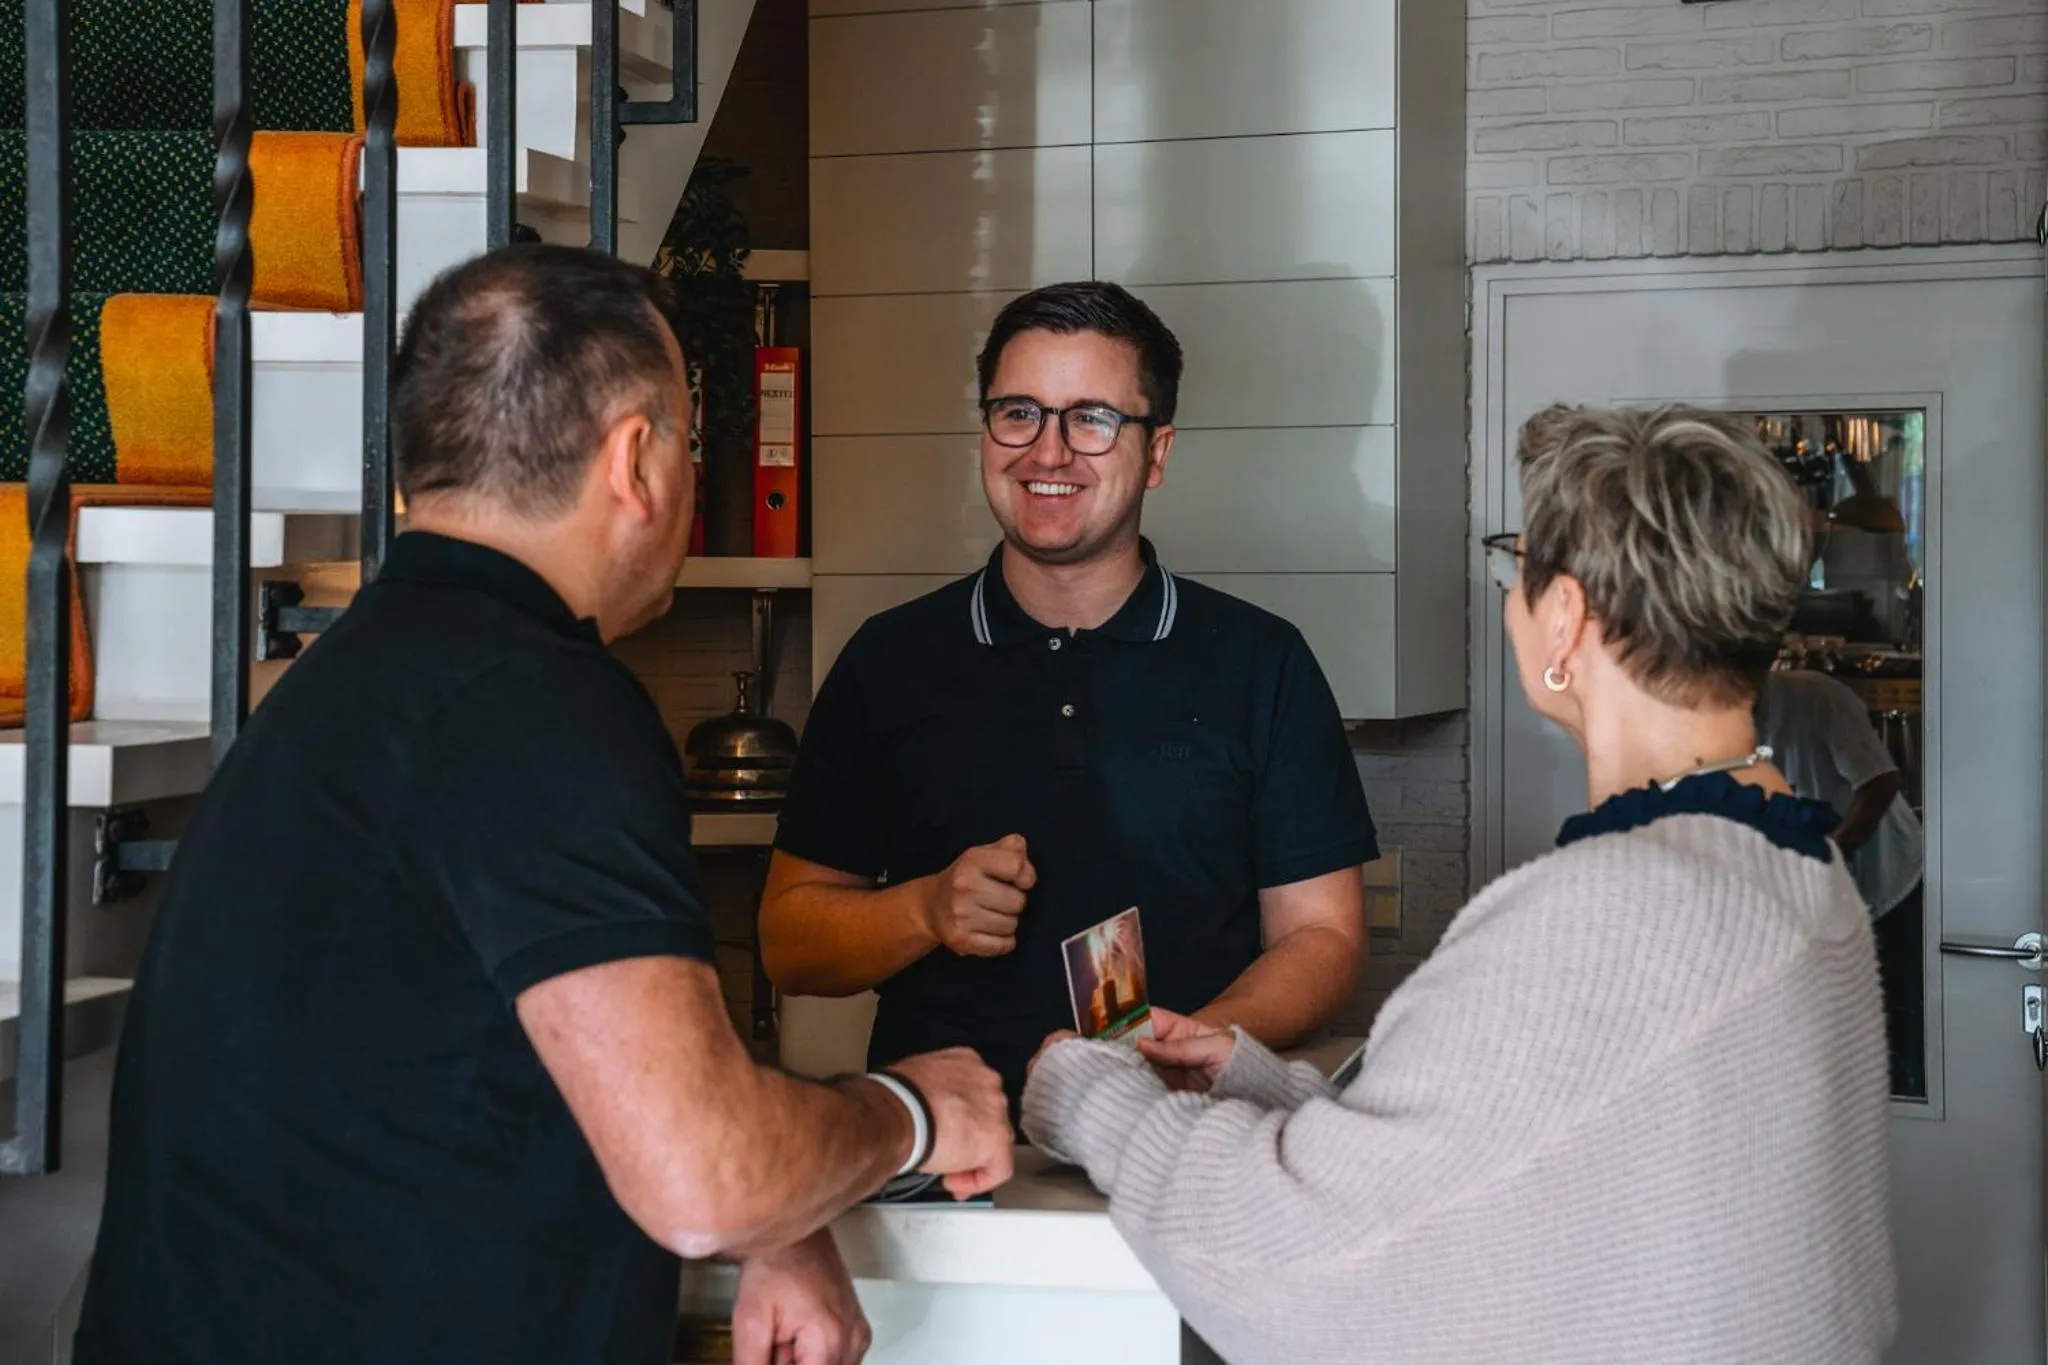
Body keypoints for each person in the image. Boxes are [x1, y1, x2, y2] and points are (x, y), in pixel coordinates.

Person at [74, 245, 1013, 1365]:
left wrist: (790, 1207)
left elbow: (595, 1063)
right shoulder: (543, 705)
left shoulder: (341, 688)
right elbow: (701, 1179)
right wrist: (907, 1112)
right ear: (634, 462)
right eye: (687, 435)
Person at [1022, 405, 1897, 1364]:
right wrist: (1249, 1080)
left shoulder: (1604, 912)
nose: (1509, 601)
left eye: (1516, 569)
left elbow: (1303, 1253)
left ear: (1564, 616)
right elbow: (1501, 1148)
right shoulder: (1792, 860)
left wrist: (1095, 1097)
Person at [758, 281, 1379, 1108]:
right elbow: (787, 939)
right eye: (1019, 412)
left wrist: (1187, 1044)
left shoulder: (1261, 663)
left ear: (1156, 453)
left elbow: (1322, 936)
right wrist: (923, 908)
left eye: (1091, 418)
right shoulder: (889, 659)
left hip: (1185, 1139)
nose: (1048, 453)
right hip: (949, 1161)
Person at [1757, 667, 1926, 1096]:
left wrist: (1835, 849)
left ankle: (1909, 1109)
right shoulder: (1716, 715)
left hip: (1886, 875)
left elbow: (1880, 781)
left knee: (1896, 1006)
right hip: (1812, 887)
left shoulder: (1816, 698)